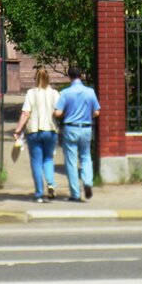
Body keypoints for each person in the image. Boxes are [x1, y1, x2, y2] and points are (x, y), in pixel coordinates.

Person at [54, 67, 100, 202]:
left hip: (70, 128)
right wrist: (86, 115)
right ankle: (88, 182)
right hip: (86, 128)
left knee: (71, 162)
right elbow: (97, 112)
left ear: (69, 77)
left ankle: (75, 193)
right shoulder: (90, 92)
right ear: (82, 75)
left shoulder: (66, 93)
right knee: (86, 157)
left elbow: (57, 112)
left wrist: (65, 114)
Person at [13, 68, 59, 202]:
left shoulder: (30, 93)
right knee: (48, 159)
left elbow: (26, 113)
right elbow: (58, 111)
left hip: (34, 131)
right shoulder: (55, 93)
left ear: (35, 78)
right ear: (48, 78)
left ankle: (39, 193)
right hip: (50, 130)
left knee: (36, 162)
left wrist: (18, 129)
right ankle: (50, 184)